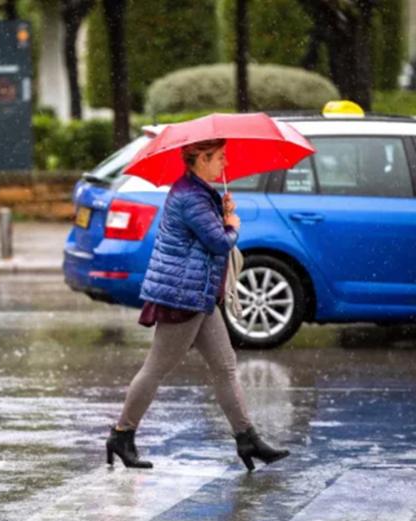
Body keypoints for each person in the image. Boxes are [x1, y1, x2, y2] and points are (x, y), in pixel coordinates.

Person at [105, 139, 289, 472]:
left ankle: (247, 438)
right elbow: (218, 243)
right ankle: (122, 434)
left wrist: (223, 212)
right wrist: (232, 225)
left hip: (198, 294)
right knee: (156, 368)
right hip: (182, 295)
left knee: (225, 366)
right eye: (218, 158)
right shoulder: (191, 196)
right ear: (200, 159)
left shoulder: (199, 192)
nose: (224, 163)